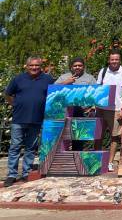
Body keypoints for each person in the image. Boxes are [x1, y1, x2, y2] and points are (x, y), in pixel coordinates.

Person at [3, 56, 55, 187]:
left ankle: (26, 173)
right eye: (31, 65)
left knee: (30, 148)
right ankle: (12, 175)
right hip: (19, 119)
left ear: (40, 66)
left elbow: (55, 93)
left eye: (37, 65)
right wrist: (15, 104)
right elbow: (7, 94)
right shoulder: (18, 79)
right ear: (27, 66)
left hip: (36, 119)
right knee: (15, 147)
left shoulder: (47, 79)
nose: (34, 68)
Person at [96, 50, 122, 172]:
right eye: (112, 59)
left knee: (114, 137)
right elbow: (98, 89)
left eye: (116, 59)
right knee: (98, 135)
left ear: (120, 60)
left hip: (116, 109)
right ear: (109, 60)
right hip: (101, 108)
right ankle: (97, 160)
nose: (114, 61)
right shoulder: (103, 71)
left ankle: (110, 162)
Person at [55, 57, 97, 151]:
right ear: (71, 67)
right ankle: (63, 159)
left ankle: (76, 159)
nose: (77, 67)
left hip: (82, 112)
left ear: (83, 67)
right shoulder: (64, 77)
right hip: (65, 112)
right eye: (75, 65)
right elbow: (53, 89)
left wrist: (92, 108)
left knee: (78, 137)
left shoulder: (90, 78)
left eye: (80, 65)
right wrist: (66, 82)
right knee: (63, 137)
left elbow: (95, 94)